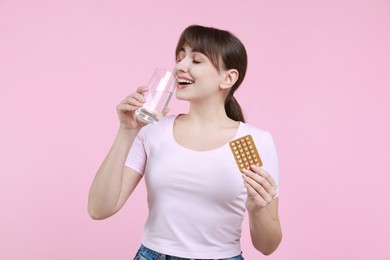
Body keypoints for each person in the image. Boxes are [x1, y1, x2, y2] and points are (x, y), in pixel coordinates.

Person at [88, 25, 282, 260]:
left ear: (228, 77)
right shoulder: (153, 130)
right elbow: (99, 209)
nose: (180, 66)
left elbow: (267, 247)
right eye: (180, 58)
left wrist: (256, 209)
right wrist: (126, 132)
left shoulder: (250, 142)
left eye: (196, 60)